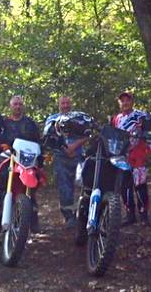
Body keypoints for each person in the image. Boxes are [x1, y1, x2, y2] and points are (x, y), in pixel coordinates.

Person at [0, 95, 42, 234]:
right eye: (15, 104)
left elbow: (38, 141)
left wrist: (41, 157)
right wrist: (3, 146)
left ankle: (32, 218)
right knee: (0, 183)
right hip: (9, 158)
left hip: (27, 160)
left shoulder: (30, 124)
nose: (18, 107)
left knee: (32, 184)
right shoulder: (4, 124)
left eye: (20, 104)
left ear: (23, 106)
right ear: (10, 106)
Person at [43, 96, 91, 228]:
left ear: (71, 104)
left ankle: (85, 213)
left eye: (67, 103)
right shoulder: (52, 119)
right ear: (58, 105)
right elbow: (48, 137)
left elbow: (88, 134)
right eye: (62, 103)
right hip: (60, 156)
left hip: (79, 155)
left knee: (84, 183)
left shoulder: (80, 118)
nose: (65, 105)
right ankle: (69, 216)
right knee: (64, 187)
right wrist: (65, 148)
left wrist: (74, 146)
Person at [111, 91, 151, 226]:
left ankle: (144, 215)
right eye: (122, 100)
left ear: (132, 101)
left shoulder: (141, 116)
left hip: (138, 155)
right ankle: (130, 215)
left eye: (127, 100)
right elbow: (112, 137)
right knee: (125, 187)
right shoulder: (116, 119)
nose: (125, 103)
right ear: (119, 103)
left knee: (140, 186)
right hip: (122, 157)